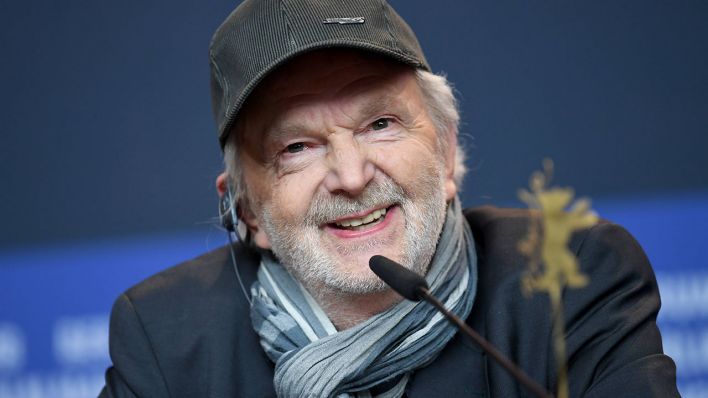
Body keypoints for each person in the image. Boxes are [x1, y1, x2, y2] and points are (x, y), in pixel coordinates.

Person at [99, 1, 679, 397]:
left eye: (380, 123)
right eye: (297, 147)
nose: (351, 175)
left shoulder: (571, 281)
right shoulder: (164, 341)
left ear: (447, 152)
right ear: (247, 211)